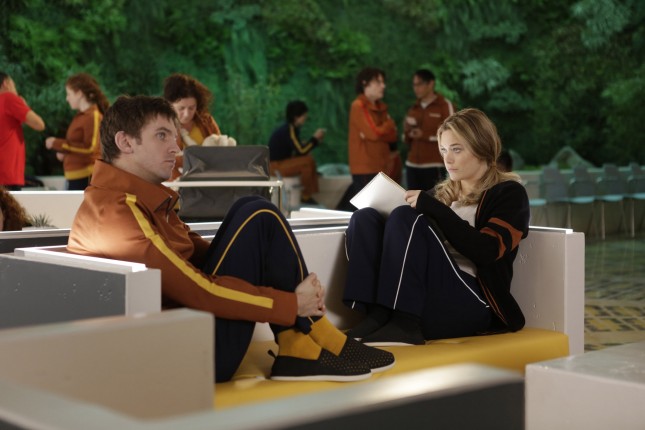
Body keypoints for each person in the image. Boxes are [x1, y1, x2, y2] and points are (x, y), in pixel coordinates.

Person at [66, 95, 394, 383]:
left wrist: (261, 261)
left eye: (174, 136)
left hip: (190, 334)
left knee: (254, 212)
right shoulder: (118, 212)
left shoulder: (139, 198)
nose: (176, 148)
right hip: (187, 354)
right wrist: (292, 304)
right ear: (125, 142)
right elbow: (196, 288)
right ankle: (307, 331)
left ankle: (303, 339)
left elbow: (205, 256)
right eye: (162, 135)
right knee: (257, 212)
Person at [343, 108, 530, 346]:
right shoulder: (440, 195)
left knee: (405, 216)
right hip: (425, 296)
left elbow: (488, 251)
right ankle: (378, 314)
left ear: (482, 147)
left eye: (456, 149)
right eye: (443, 150)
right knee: (365, 217)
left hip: (471, 302)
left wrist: (437, 211)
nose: (447, 159)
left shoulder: (509, 194)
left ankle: (404, 323)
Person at [337, 67, 398, 211]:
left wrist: (381, 131)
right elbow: (374, 133)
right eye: (378, 82)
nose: (383, 86)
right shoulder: (358, 106)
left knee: (378, 210)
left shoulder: (381, 107)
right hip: (365, 168)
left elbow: (393, 136)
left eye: (383, 82)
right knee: (367, 211)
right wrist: (388, 125)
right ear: (365, 83)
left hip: (382, 166)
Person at [45, 73, 109, 190]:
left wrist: (57, 143)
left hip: (85, 178)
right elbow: (77, 147)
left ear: (79, 93)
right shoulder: (80, 117)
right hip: (75, 177)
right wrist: (65, 153)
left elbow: (90, 148)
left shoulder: (93, 116)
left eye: (69, 94)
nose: (67, 98)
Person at [403, 69, 456, 191]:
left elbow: (453, 135)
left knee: (434, 200)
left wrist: (424, 135)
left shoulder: (444, 105)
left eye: (419, 84)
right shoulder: (413, 108)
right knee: (412, 202)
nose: (416, 88)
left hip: (434, 165)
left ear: (431, 84)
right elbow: (406, 139)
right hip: (412, 165)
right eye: (414, 85)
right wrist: (408, 132)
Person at [163, 73, 222, 180]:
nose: (187, 114)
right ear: (169, 105)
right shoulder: (161, 126)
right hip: (176, 182)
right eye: (181, 108)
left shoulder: (206, 121)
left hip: (209, 179)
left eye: (191, 108)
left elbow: (222, 151)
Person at [268, 100, 325, 204]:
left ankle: (308, 194)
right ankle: (306, 196)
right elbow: (301, 151)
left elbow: (299, 150)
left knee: (308, 160)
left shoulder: (291, 129)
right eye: (304, 115)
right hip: (275, 166)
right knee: (307, 162)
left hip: (281, 162)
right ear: (296, 117)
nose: (305, 118)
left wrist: (311, 143)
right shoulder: (289, 130)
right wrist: (315, 139)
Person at [0, 72, 46, 189]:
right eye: (14, 85)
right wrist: (24, 106)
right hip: (8, 174)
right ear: (6, 83)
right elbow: (39, 124)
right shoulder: (8, 98)